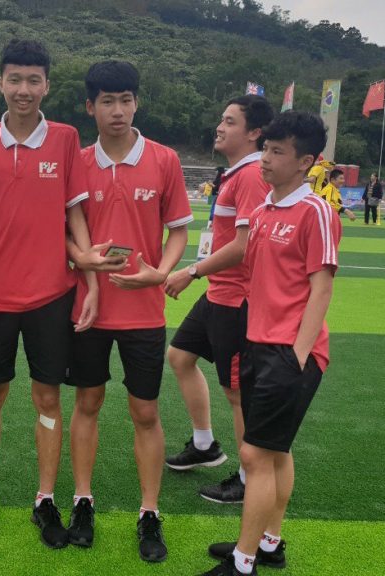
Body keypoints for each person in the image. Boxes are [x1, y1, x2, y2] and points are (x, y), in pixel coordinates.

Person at [0, 38, 123, 550]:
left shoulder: (66, 138)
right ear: (0, 83)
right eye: (15, 79)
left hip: (51, 294)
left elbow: (75, 214)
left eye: (33, 80)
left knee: (47, 397)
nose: (23, 89)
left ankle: (45, 499)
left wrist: (91, 280)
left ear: (47, 85)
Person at [200, 110, 341, 576]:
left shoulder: (316, 211)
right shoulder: (262, 212)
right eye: (265, 148)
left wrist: (297, 356)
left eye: (278, 152)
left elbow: (321, 288)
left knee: (254, 455)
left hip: (290, 352)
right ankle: (269, 543)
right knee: (275, 451)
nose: (265, 158)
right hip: (257, 343)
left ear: (305, 162)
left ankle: (243, 563)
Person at [65, 60, 192, 563]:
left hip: (144, 312)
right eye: (107, 101)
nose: (117, 110)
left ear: (136, 103)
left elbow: (179, 229)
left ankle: (149, 511)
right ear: (90, 106)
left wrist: (161, 272)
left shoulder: (164, 159)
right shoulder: (77, 161)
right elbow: (66, 233)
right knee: (88, 402)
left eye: (125, 100)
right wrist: (83, 262)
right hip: (89, 308)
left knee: (145, 411)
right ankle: (82, 501)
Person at [163, 94, 274, 508]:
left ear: (254, 133)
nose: (220, 127)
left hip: (237, 299)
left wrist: (191, 271)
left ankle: (247, 478)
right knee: (180, 357)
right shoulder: (235, 174)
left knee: (237, 392)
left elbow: (245, 246)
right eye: (221, 120)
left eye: (230, 121)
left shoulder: (251, 177)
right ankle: (204, 444)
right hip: (218, 293)